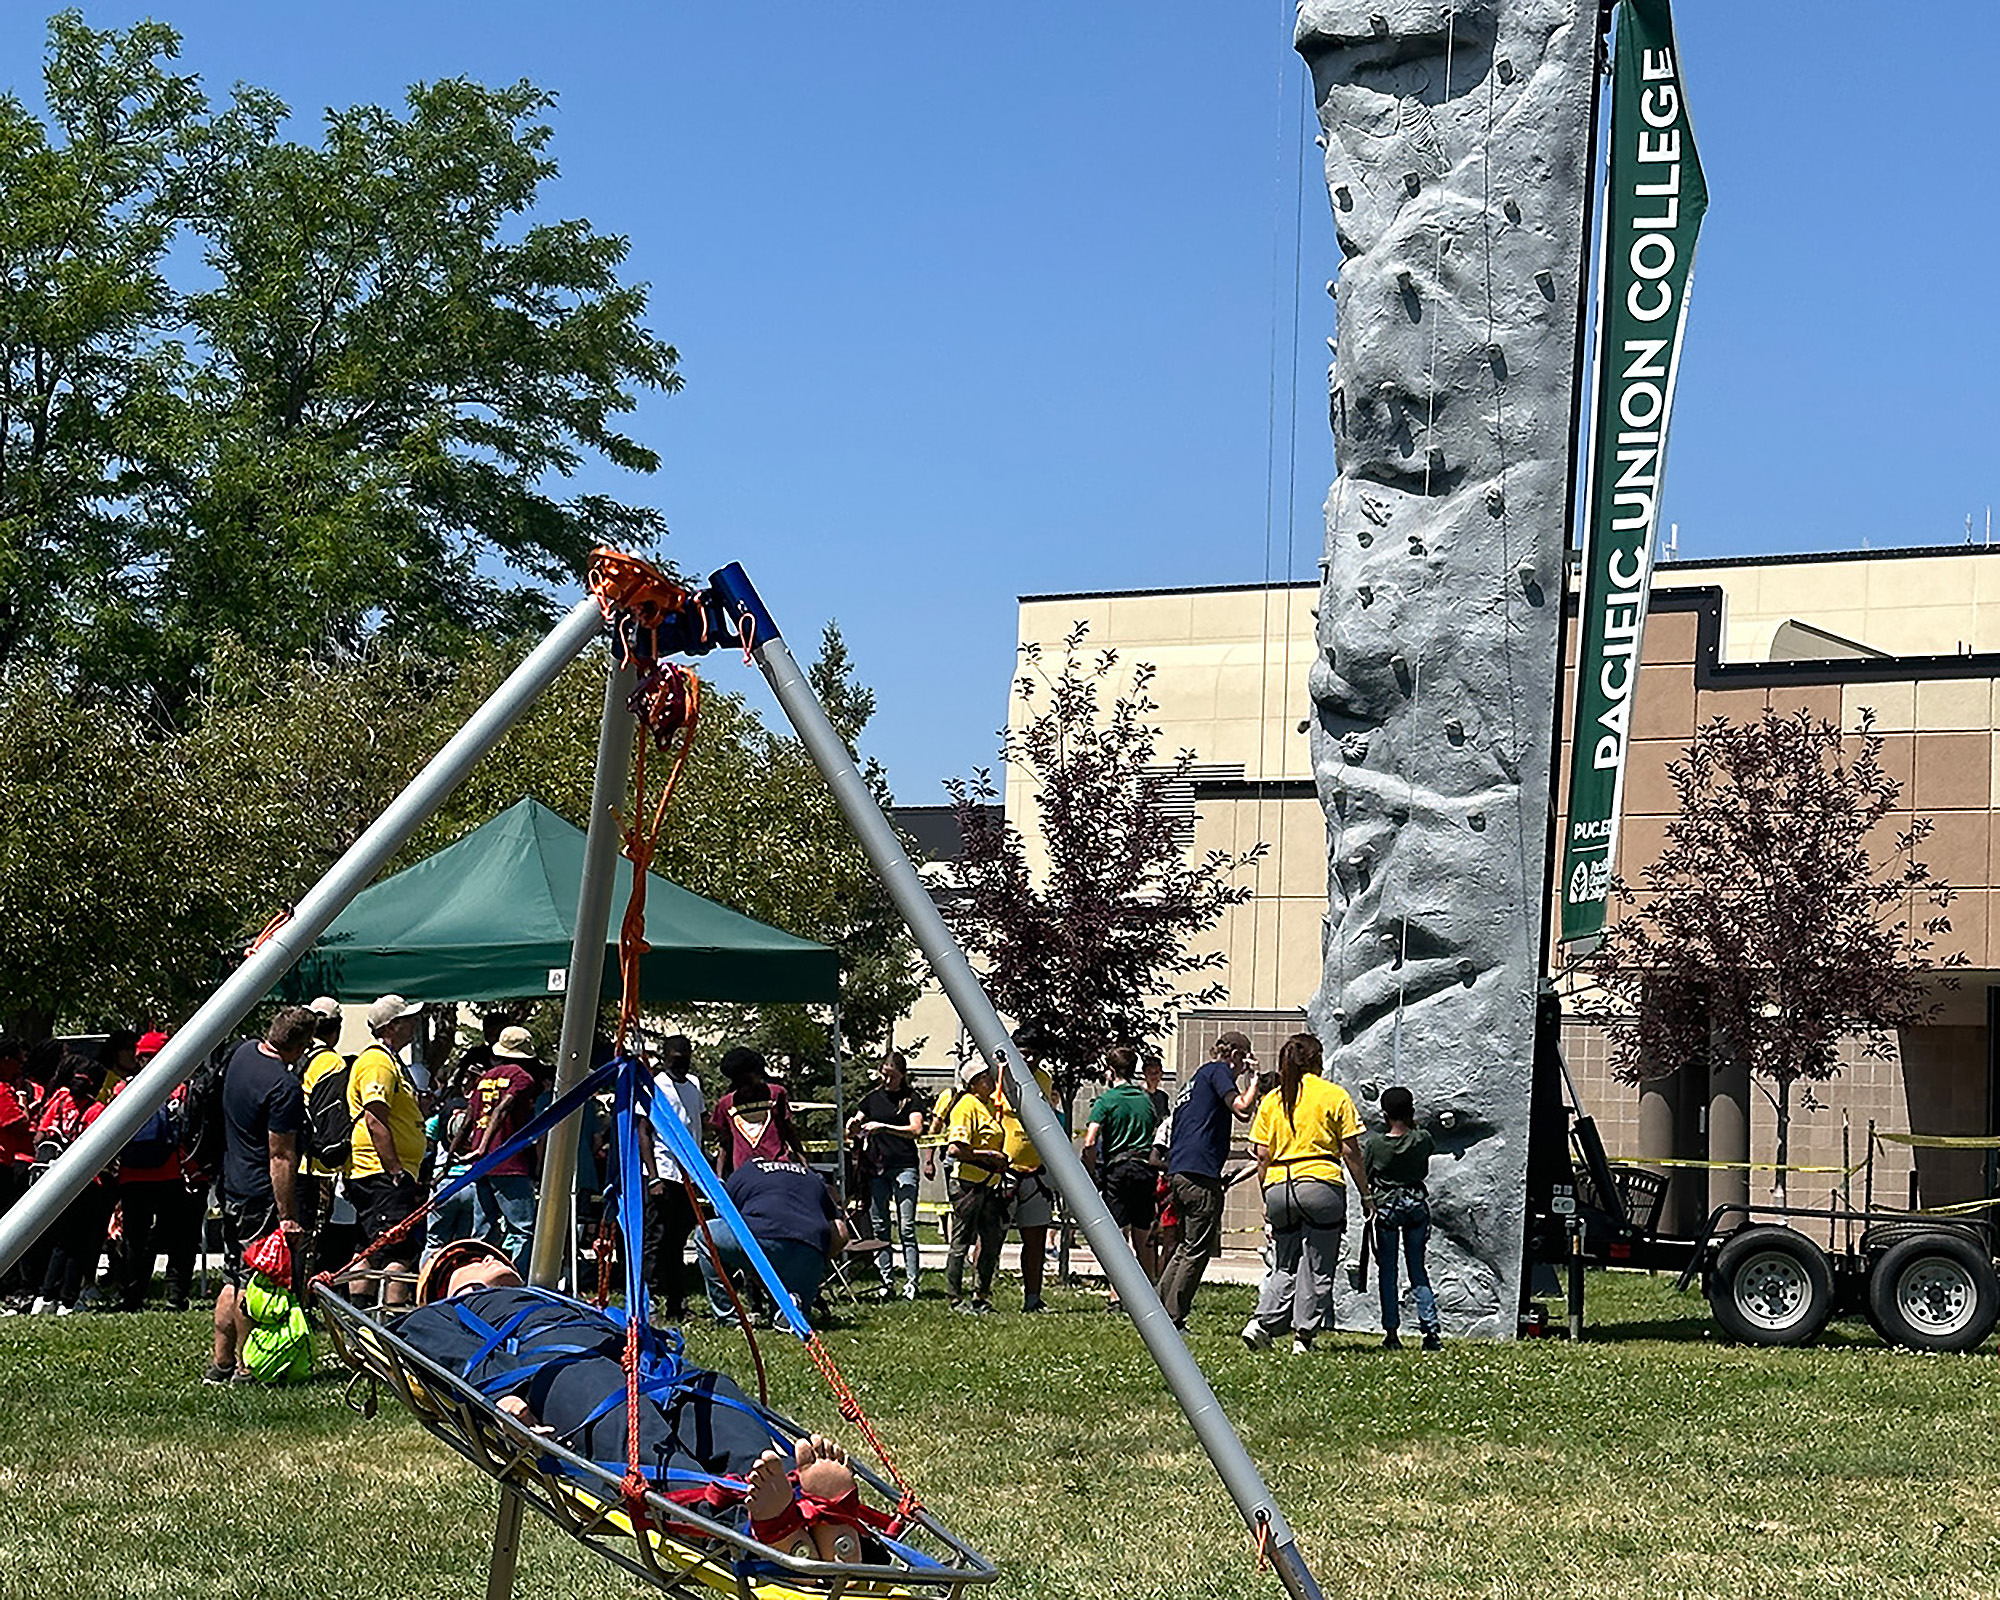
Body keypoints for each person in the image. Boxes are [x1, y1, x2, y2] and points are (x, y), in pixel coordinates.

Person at [401, 1240, 874, 1564]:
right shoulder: (439, 1314)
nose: (486, 1258)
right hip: (558, 1371)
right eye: (471, 1259)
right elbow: (447, 1360)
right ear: (448, 1281)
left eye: (488, 1254)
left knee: (716, 1395)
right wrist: (501, 1400)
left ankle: (806, 1506)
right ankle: (755, 1526)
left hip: (651, 1368)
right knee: (630, 1431)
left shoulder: (559, 1298)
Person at [1243, 1032, 1369, 1355]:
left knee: (1284, 1263)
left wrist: (1267, 1200)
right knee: (1316, 1264)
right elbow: (1350, 1150)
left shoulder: (1272, 1099)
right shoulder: (1333, 1095)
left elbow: (1261, 1154)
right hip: (1320, 1182)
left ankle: (1260, 1322)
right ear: (1316, 1060)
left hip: (1278, 1184)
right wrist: (1366, 1195)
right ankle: (1303, 1336)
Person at [208, 1007, 314, 1382]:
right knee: (255, 1283)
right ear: (302, 1046)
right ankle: (246, 1366)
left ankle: (219, 1362)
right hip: (260, 1192)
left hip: (232, 1182)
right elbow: (281, 1155)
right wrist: (287, 1215)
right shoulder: (283, 1086)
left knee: (232, 1274)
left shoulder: (243, 1053)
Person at [1153, 1030, 1262, 1328]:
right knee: (1196, 1250)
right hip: (1200, 1175)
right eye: (1244, 1058)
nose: (1244, 1066)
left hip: (1179, 1171)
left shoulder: (1196, 1079)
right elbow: (1241, 1108)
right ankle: (1173, 1319)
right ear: (1236, 1054)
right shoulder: (1217, 1071)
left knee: (1184, 1247)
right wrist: (1254, 1081)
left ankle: (1157, 1310)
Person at [345, 995, 428, 1306]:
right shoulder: (377, 1062)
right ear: (392, 1026)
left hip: (384, 1172)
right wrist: (395, 1171)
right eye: (408, 1020)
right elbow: (375, 1117)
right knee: (398, 1253)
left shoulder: (391, 1061)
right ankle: (389, 1324)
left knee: (368, 1247)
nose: (414, 1025)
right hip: (380, 1173)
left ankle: (362, 1318)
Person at [698, 1154, 844, 1324]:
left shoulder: (746, 1171)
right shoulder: (811, 1176)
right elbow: (840, 1230)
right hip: (809, 1247)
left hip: (762, 1237)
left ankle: (727, 1317)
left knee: (705, 1235)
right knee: (793, 1318)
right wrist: (820, 1263)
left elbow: (725, 1212)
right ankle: (790, 1310)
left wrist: (751, 1266)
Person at [113, 1030, 200, 1311]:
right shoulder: (180, 1089)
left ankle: (132, 1296)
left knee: (135, 1238)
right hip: (171, 1173)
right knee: (179, 1239)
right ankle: (176, 1296)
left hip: (131, 1174)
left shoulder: (122, 1089)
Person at [31, 1054, 113, 1314]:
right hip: (86, 1183)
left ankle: (45, 1297)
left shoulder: (59, 1101)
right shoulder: (95, 1110)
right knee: (79, 1245)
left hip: (54, 1181)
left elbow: (40, 1136)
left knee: (60, 1241)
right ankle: (68, 1299)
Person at [1081, 1047, 1162, 1303]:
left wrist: (1091, 1170)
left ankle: (1116, 1294)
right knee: (1143, 1233)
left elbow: (1090, 1141)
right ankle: (1149, 1291)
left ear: (1111, 1070)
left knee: (1117, 1235)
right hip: (1144, 1169)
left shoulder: (1107, 1100)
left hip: (1118, 1168)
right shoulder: (1145, 1101)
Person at [1367, 1084, 1442, 1351]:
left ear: (1384, 1114)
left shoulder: (1376, 1144)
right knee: (1417, 1269)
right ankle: (1430, 1331)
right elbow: (1426, 1144)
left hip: (1387, 1207)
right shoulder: (1421, 1139)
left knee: (1388, 1271)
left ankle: (1391, 1332)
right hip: (1416, 1205)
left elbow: (1368, 1175)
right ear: (1410, 1111)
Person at [848, 1050, 924, 1301]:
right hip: (876, 1168)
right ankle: (885, 1280)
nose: (887, 1080)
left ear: (902, 1075)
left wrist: (885, 1127)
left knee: (907, 1227)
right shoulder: (872, 1098)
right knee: (880, 1227)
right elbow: (858, 1123)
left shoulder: (911, 1099)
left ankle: (912, 1282)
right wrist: (854, 1126)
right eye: (884, 1074)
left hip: (904, 1166)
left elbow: (916, 1129)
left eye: (892, 1076)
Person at [465, 1025, 544, 1268]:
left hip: (482, 1164)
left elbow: (469, 1117)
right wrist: (487, 1146)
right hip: (509, 1161)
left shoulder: (484, 1078)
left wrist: (463, 1153)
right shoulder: (522, 1078)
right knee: (522, 1229)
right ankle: (516, 1280)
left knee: (483, 1230)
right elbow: (502, 1110)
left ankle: (477, 1280)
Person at [642, 1035, 704, 1317]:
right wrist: (653, 1177)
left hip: (687, 1176)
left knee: (678, 1240)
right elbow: (643, 1132)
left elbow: (696, 1126)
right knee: (656, 1237)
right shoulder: (654, 1085)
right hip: (661, 1172)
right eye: (675, 1059)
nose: (681, 1064)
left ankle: (676, 1303)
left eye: (686, 1058)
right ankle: (649, 1299)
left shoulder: (694, 1085)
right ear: (665, 1056)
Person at [996, 1033, 1057, 1313]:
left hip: (1036, 1172)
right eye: (1023, 1052)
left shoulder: (1044, 1080)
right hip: (1002, 1170)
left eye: (1035, 1053)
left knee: (1035, 1240)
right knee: (990, 1237)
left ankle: (1033, 1298)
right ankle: (981, 1296)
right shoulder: (999, 1076)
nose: (1030, 1058)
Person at [942, 1060, 1009, 1314]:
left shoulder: (990, 1106)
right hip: (967, 1183)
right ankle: (954, 1297)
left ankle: (981, 1294)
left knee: (991, 1240)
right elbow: (955, 1148)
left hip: (990, 1183)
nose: (991, 1081)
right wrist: (988, 1156)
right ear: (973, 1083)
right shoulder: (965, 1107)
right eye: (985, 1078)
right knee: (961, 1241)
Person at [707, 1047, 801, 1176]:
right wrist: (719, 1176)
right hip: (745, 1173)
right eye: (740, 1083)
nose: (746, 1088)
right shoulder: (726, 1104)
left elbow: (789, 1130)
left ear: (759, 1074)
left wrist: (804, 1162)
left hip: (778, 1168)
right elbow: (725, 1142)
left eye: (748, 1081)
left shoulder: (776, 1094)